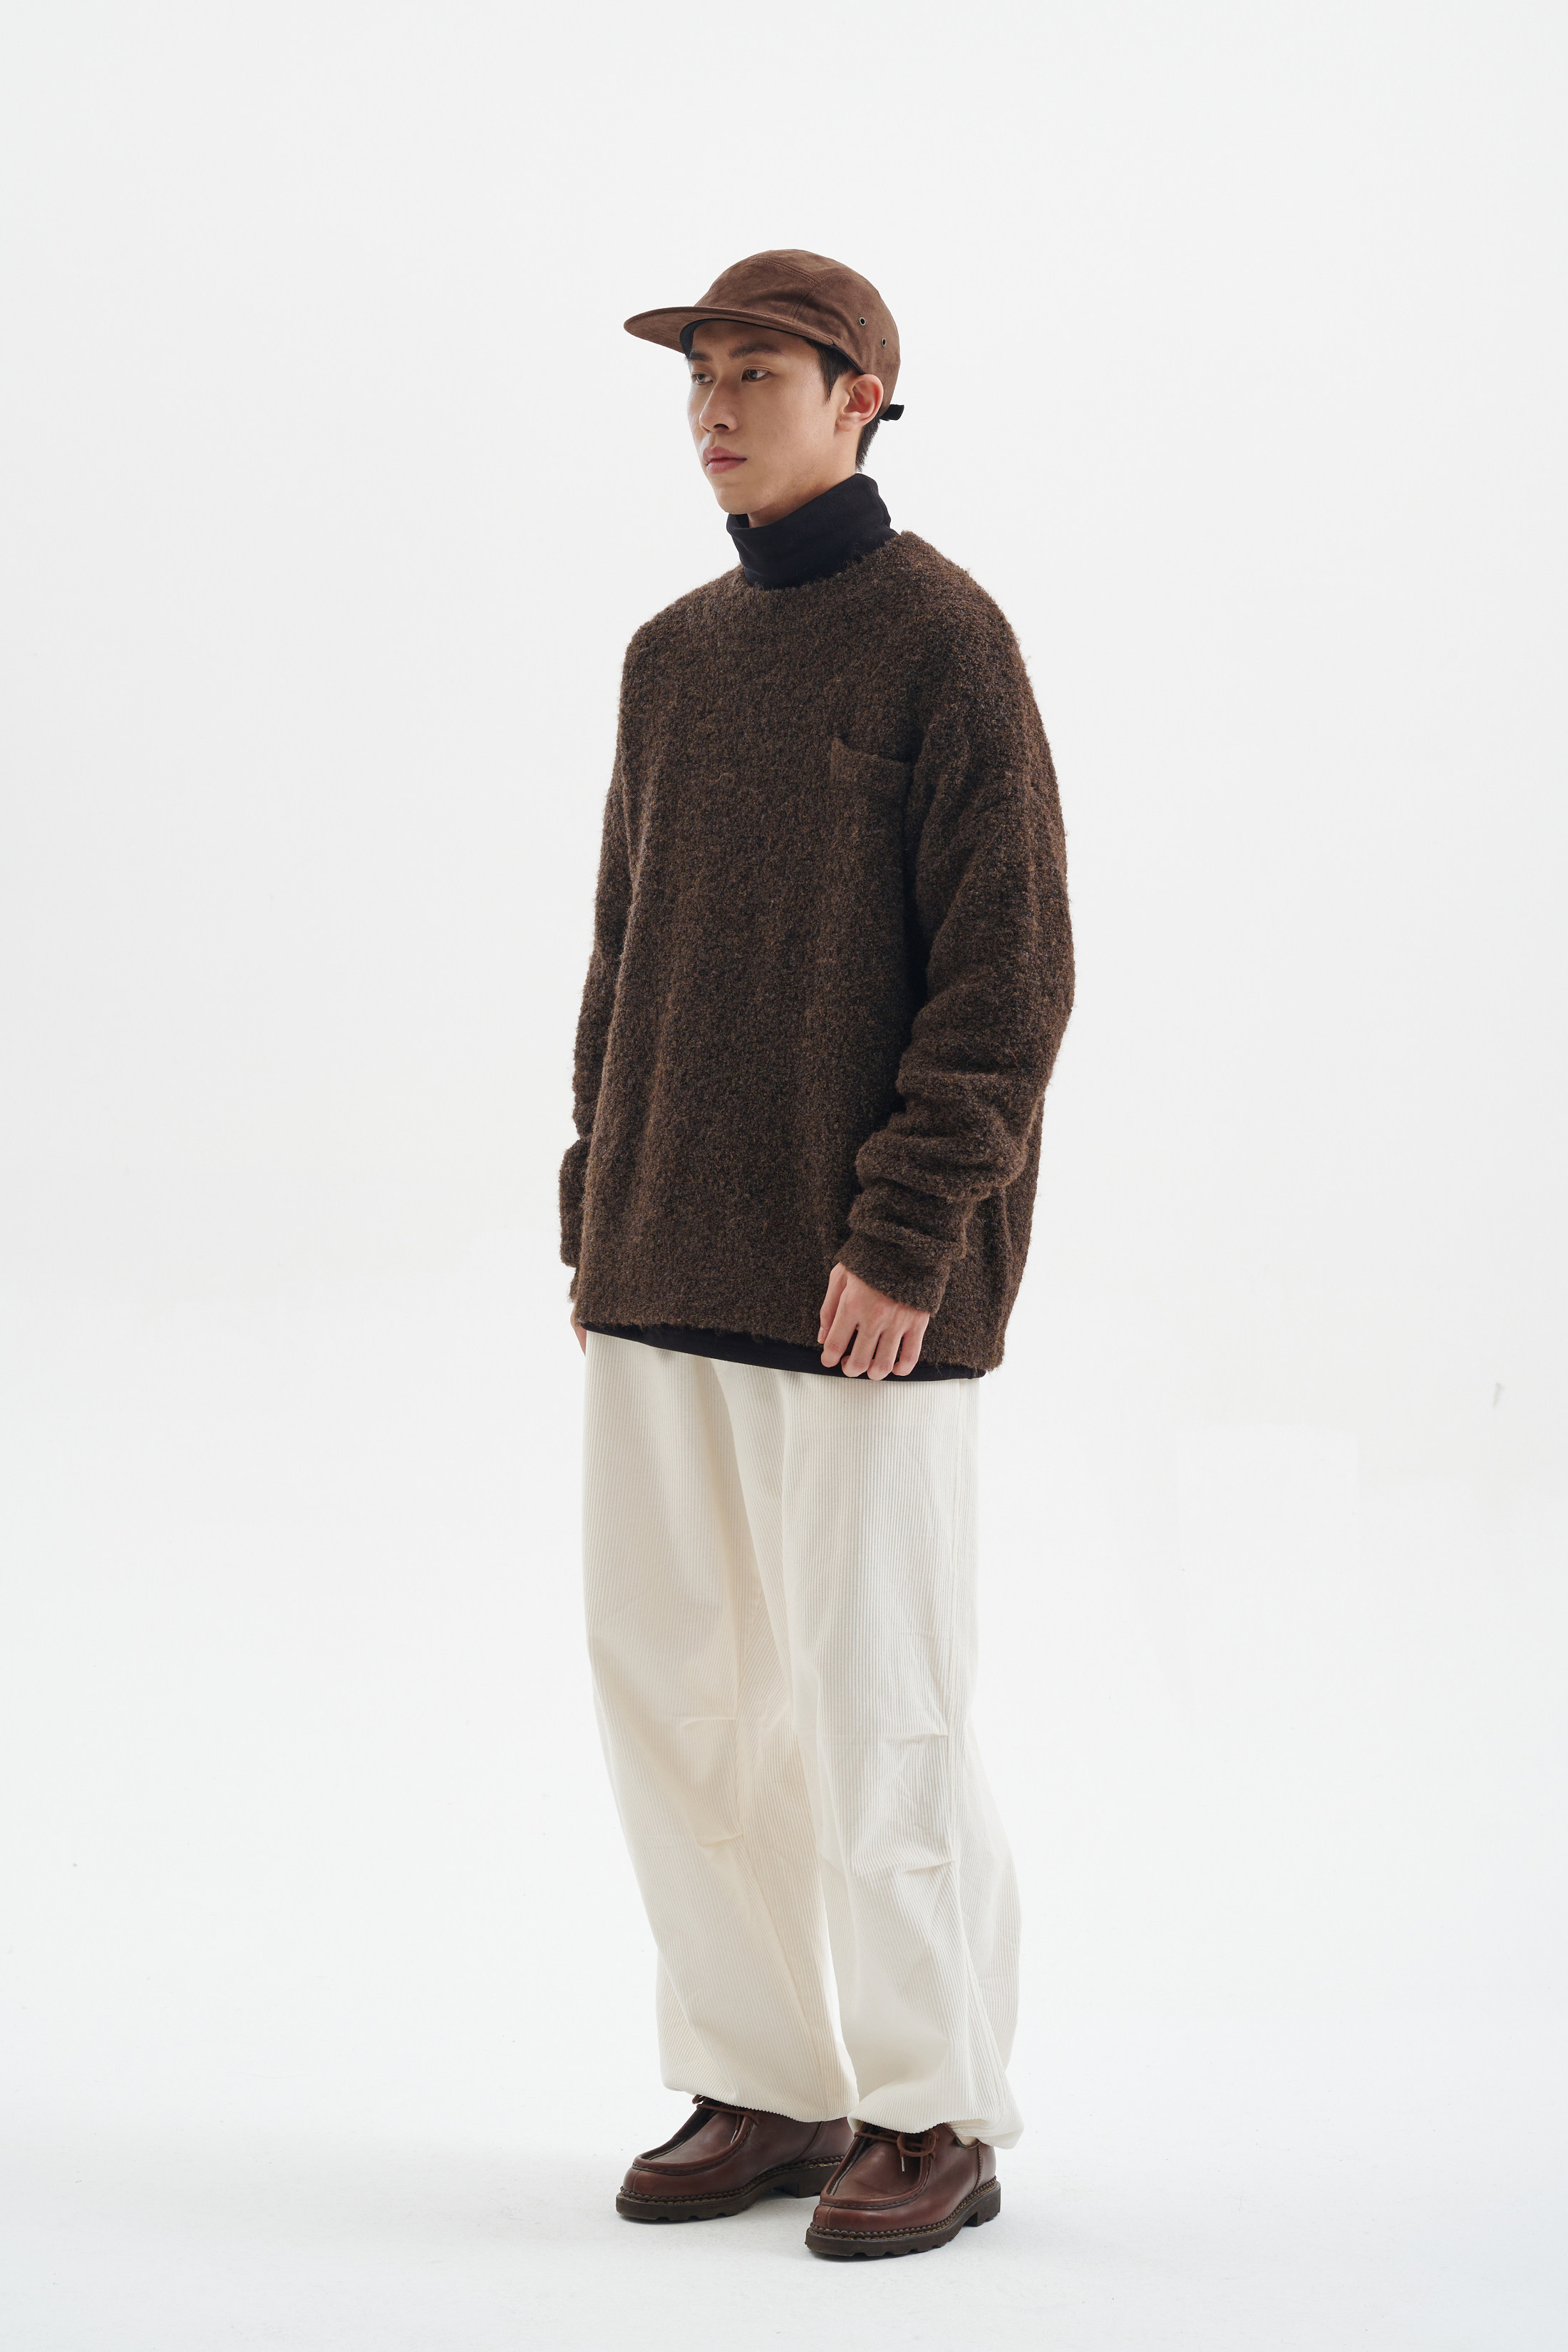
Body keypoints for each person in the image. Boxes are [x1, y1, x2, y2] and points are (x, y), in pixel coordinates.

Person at [559, 249, 1074, 2261]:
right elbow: (624, 958)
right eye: (699, 373)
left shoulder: (945, 639)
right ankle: (764, 2075)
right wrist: (594, 1208)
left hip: (866, 1285)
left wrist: (908, 1232)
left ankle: (933, 2107)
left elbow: (1010, 976)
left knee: (880, 1706)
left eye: (757, 372)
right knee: (680, 1692)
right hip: (663, 1263)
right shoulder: (670, 656)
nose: (713, 406)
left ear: (861, 397)